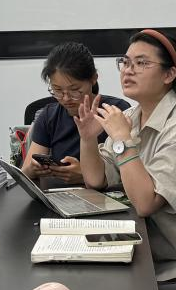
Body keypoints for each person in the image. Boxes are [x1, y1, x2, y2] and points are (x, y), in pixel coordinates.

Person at [77, 28, 176, 283]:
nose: (128, 71)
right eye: (126, 62)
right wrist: (87, 139)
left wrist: (122, 139)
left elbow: (145, 203)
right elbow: (97, 179)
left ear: (169, 74)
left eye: (141, 63)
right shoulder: (131, 117)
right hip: (148, 256)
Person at [21, 41, 129, 185]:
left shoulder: (115, 112)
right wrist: (34, 169)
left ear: (93, 78)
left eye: (75, 90)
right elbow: (25, 172)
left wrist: (87, 174)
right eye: (57, 90)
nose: (66, 98)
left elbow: (128, 171)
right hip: (59, 194)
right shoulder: (48, 116)